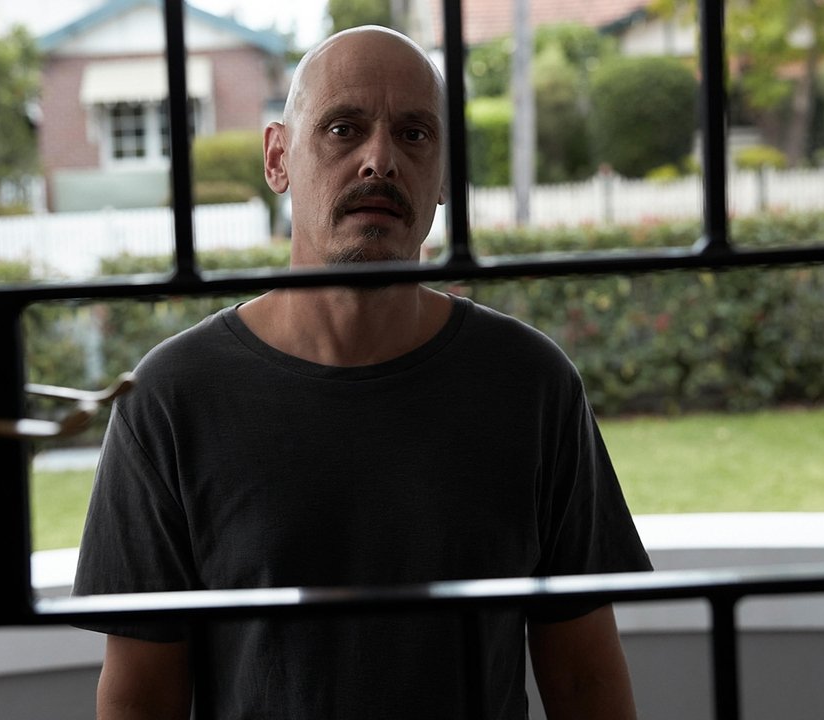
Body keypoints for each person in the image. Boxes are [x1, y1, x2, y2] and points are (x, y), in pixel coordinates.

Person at [73, 25, 652, 720]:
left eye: (414, 134)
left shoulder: (531, 385)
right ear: (278, 158)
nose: (380, 161)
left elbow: (585, 678)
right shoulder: (171, 400)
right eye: (343, 129)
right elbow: (141, 696)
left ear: (444, 175)